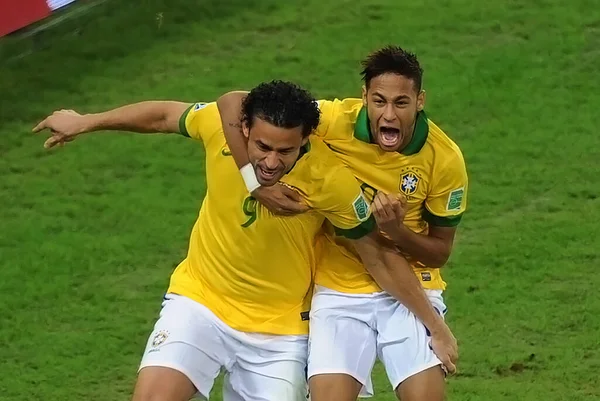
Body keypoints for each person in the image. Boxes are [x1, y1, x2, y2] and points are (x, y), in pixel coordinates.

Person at [32, 80, 454, 401]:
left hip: (281, 333)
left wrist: (435, 326)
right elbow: (164, 114)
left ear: (305, 141)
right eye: (262, 147)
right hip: (201, 303)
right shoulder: (222, 130)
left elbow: (378, 257)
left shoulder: (333, 183)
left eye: (285, 153)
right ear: (244, 128)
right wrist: (87, 121)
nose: (271, 162)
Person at [216, 46, 467, 401]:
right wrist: (255, 185)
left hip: (412, 287)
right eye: (379, 101)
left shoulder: (444, 158)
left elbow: (440, 252)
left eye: (401, 102)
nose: (389, 113)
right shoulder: (333, 120)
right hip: (340, 287)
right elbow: (234, 103)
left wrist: (397, 232)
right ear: (364, 97)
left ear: (420, 100)